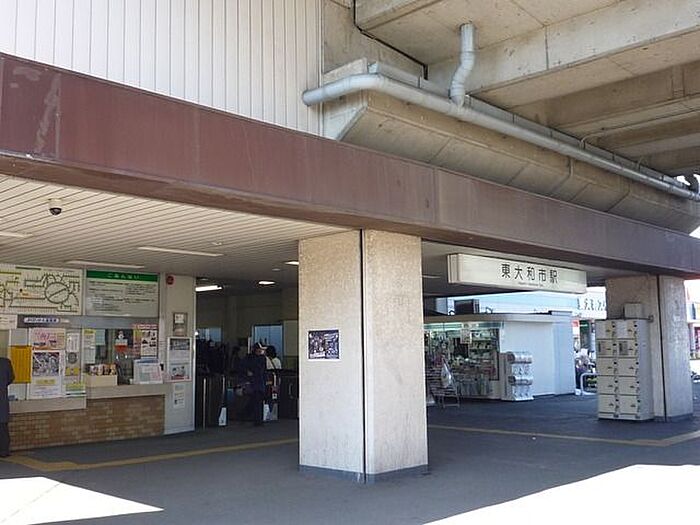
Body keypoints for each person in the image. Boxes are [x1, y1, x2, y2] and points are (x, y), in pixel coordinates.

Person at [244, 343, 267, 426]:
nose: (260, 351)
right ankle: (256, 419)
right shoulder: (261, 358)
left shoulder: (251, 358)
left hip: (256, 382)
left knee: (255, 400)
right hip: (256, 382)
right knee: (257, 401)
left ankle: (247, 415)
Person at [0, 356, 15, 457]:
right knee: (3, 429)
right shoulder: (5, 362)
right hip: (2, 401)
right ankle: (4, 451)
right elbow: (11, 378)